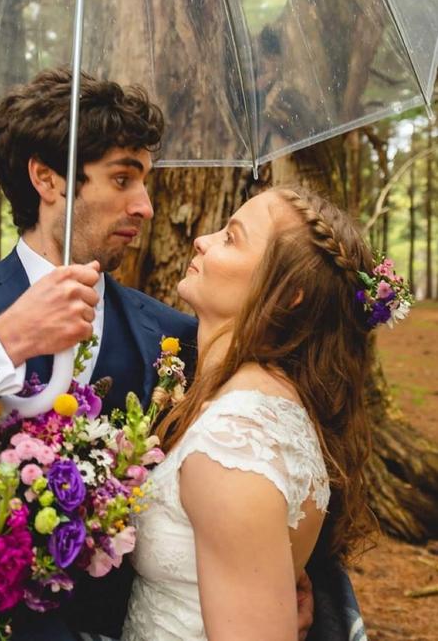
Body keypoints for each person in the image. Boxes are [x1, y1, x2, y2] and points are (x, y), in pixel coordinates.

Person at [0, 68, 315, 641]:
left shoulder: (174, 338)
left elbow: (263, 465)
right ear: (48, 178)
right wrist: (0, 344)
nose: (145, 206)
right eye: (123, 179)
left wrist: (288, 578)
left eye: (145, 181)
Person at [117, 186, 382, 641]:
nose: (203, 239)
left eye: (231, 237)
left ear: (289, 295)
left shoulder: (235, 444)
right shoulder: (250, 406)